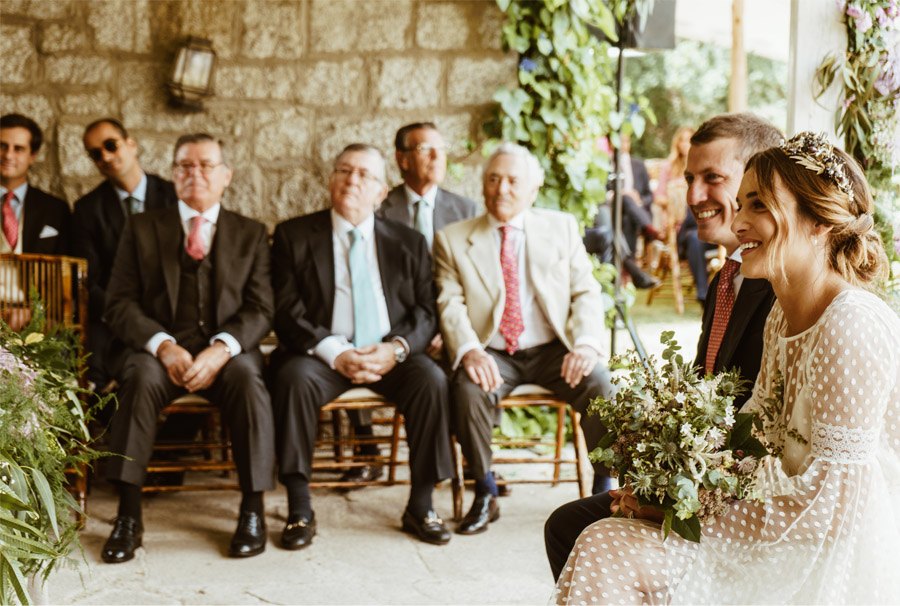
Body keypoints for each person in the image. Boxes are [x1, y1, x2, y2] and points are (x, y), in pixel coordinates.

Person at [555, 132, 899, 604]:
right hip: (779, 524)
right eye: (740, 206)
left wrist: (690, 518)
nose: (739, 223)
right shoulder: (782, 314)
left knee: (605, 547)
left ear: (819, 221)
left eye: (758, 206)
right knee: (604, 539)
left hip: (821, 556)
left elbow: (836, 510)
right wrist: (670, 494)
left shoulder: (849, 323)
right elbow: (753, 433)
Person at [544, 113, 782, 581]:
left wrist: (671, 495)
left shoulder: (778, 287)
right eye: (691, 179)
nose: (693, 197)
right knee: (568, 523)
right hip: (700, 474)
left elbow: (760, 425)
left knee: (574, 528)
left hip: (745, 496)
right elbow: (703, 388)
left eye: (713, 179)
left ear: (759, 184)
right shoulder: (725, 279)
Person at [269, 143, 454, 549]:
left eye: (363, 175)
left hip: (391, 353)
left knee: (432, 381)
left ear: (381, 191)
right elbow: (285, 310)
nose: (351, 180)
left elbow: (426, 311)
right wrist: (335, 352)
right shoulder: (293, 235)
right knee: (292, 380)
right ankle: (300, 509)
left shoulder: (407, 241)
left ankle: (421, 505)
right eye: (344, 171)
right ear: (331, 179)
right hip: (323, 354)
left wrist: (397, 350)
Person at [101, 134, 276, 563]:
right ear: (173, 175)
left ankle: (253, 511)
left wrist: (222, 348)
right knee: (139, 377)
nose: (194, 174)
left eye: (205, 165)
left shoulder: (250, 233)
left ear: (226, 176)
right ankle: (127, 516)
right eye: (184, 166)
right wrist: (163, 346)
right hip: (160, 353)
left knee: (250, 380)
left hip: (226, 354)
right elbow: (119, 304)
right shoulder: (142, 227)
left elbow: (261, 307)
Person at [433, 142, 615, 536]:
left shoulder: (561, 227)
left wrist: (585, 343)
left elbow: (585, 290)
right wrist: (468, 350)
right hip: (495, 351)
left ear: (533, 189)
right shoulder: (453, 238)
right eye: (493, 179)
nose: (502, 189)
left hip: (554, 350)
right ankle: (484, 490)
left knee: (601, 382)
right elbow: (450, 302)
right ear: (482, 186)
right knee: (467, 390)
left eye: (513, 180)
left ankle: (605, 490)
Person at [332, 122, 477, 485]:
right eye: (425, 149)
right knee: (363, 338)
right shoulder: (379, 204)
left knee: (470, 362)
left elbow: (476, 281)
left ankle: (475, 459)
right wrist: (407, 336)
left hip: (451, 317)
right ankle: (367, 448)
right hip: (397, 320)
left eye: (440, 150)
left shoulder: (464, 209)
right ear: (402, 159)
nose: (436, 157)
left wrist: (452, 331)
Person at [73, 118, 178, 391]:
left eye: (111, 145)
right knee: (90, 371)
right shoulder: (88, 209)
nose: (105, 156)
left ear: (131, 144)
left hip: (173, 316)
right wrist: (124, 315)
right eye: (96, 153)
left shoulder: (174, 196)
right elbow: (89, 280)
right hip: (113, 318)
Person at [0, 113, 70, 256]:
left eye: (18, 149)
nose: (8, 155)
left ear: (32, 156)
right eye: (2, 146)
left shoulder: (56, 209)